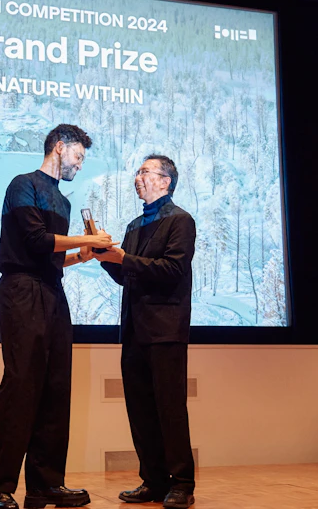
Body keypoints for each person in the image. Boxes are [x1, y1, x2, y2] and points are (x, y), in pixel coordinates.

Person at [0, 124, 115, 509]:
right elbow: (35, 241)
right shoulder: (23, 185)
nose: (80, 164)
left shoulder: (63, 202)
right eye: (78, 156)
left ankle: (46, 485)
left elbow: (52, 257)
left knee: (57, 388)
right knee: (22, 385)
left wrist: (81, 256)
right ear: (59, 147)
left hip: (52, 291)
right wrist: (89, 239)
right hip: (21, 290)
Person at [94, 154, 197, 509]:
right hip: (134, 330)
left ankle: (182, 483)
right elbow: (129, 275)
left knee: (169, 408)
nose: (137, 177)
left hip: (166, 330)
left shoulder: (180, 220)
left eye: (145, 172)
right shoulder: (135, 225)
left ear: (166, 181)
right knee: (140, 410)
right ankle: (153, 481)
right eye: (137, 172)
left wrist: (124, 258)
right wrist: (106, 258)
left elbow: (172, 269)